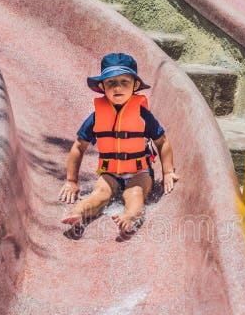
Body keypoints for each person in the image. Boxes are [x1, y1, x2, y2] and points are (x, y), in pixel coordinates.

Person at [59, 53, 178, 233]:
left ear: (135, 85)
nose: (117, 87)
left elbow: (162, 142)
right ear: (102, 87)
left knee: (135, 194)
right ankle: (78, 213)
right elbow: (78, 146)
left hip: (139, 172)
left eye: (124, 82)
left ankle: (131, 216)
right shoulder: (97, 116)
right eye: (111, 83)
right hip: (110, 173)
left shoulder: (142, 115)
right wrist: (71, 181)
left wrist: (168, 172)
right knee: (99, 194)